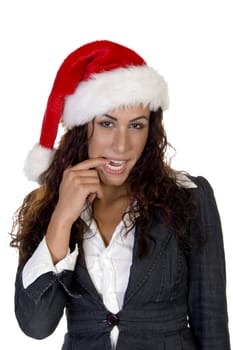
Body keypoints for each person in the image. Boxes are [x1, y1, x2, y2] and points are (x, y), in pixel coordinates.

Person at [10, 40, 231, 350]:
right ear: (80, 128)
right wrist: (62, 217)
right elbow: (36, 325)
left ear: (150, 130)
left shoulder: (189, 197)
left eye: (136, 126)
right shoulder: (50, 205)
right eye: (106, 123)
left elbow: (212, 324)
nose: (122, 145)